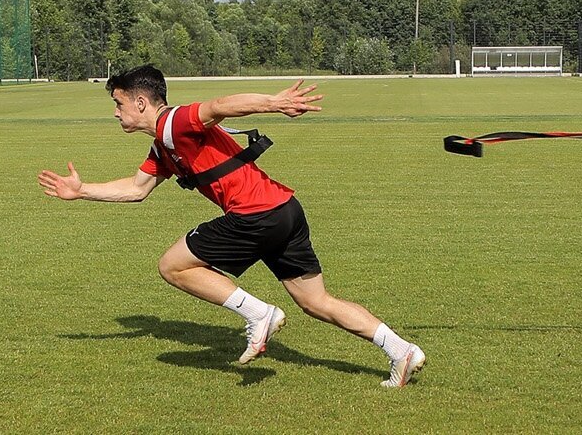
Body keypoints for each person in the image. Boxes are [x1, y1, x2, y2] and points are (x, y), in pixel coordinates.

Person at [37, 64, 426, 387]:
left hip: (255, 215)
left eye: (119, 103)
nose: (116, 112)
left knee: (172, 265)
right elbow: (137, 189)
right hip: (285, 209)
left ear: (141, 102)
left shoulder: (175, 122)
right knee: (315, 302)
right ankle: (401, 350)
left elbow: (220, 105)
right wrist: (81, 190)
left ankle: (259, 314)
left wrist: (275, 103)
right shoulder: (163, 144)